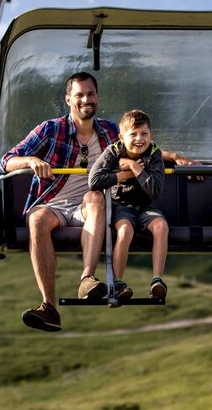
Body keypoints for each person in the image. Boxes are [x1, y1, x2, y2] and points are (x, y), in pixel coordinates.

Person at [0, 72, 193, 332]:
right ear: (68, 100)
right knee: (37, 219)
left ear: (97, 97)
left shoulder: (110, 131)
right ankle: (48, 306)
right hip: (54, 201)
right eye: (79, 95)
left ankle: (87, 278)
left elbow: (139, 146)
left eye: (90, 94)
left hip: (89, 204)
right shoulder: (51, 130)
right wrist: (31, 161)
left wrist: (174, 156)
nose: (85, 100)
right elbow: (5, 162)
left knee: (96, 197)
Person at [89, 110, 169, 305]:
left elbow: (154, 191)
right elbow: (94, 180)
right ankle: (117, 282)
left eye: (144, 134)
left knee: (161, 227)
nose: (139, 139)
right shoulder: (113, 152)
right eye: (133, 134)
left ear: (151, 136)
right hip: (121, 205)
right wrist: (121, 175)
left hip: (145, 206)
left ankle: (157, 280)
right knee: (125, 231)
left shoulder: (154, 154)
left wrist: (135, 168)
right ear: (122, 137)